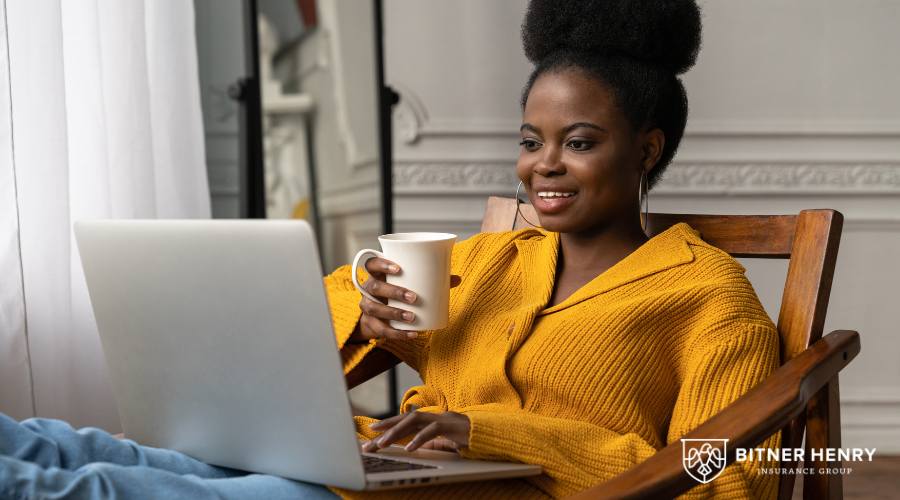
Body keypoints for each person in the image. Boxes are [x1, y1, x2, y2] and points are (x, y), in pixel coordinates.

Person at [0, 0, 781, 498]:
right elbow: (301, 352)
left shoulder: (709, 296)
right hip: (373, 472)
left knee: (90, 485)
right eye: (530, 140)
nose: (543, 164)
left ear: (646, 149)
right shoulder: (492, 259)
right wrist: (368, 321)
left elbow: (728, 479)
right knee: (60, 445)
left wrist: (493, 433)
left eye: (578, 142)